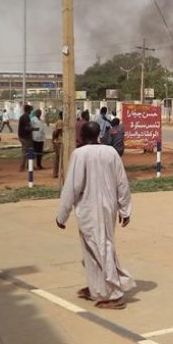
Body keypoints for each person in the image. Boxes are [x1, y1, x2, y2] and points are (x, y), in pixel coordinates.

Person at [56, 122, 135, 310]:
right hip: (108, 207)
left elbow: (71, 187)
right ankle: (97, 287)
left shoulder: (79, 154)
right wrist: (124, 209)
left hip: (90, 209)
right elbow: (122, 182)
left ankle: (114, 293)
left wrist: (62, 215)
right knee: (92, 248)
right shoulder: (111, 152)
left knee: (102, 247)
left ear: (82, 136)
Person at [17, 104, 37, 171]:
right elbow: (27, 128)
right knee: (28, 151)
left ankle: (26, 166)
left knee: (26, 151)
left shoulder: (23, 116)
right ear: (28, 110)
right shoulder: (26, 117)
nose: (31, 111)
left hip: (22, 136)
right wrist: (34, 129)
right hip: (25, 137)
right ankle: (25, 166)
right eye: (30, 110)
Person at [52, 111, 64, 178]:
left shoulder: (59, 121)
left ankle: (56, 173)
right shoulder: (60, 122)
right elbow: (56, 131)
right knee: (59, 158)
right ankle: (57, 173)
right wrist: (55, 139)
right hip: (59, 142)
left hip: (58, 142)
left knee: (58, 158)